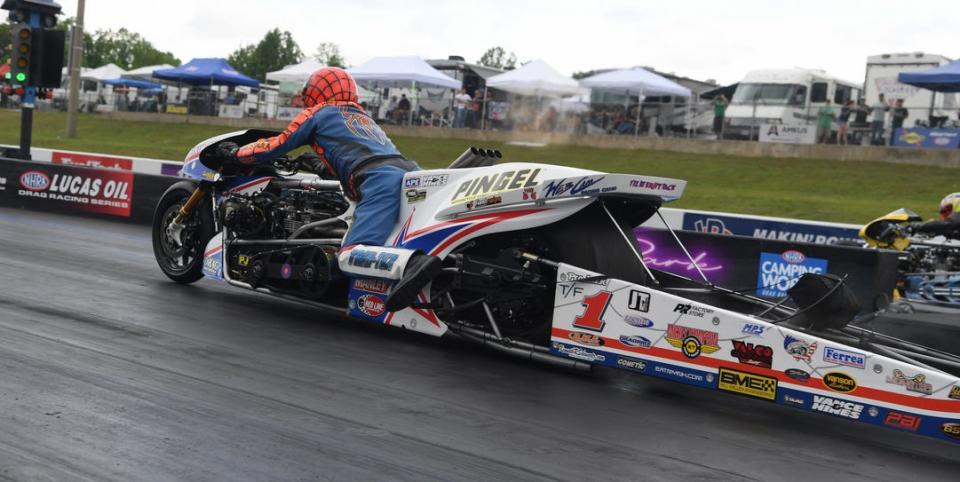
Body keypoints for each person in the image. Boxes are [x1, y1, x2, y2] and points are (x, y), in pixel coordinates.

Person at [216, 67, 441, 312]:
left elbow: (277, 145)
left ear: (314, 92)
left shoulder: (318, 113)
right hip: (408, 173)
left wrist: (237, 154)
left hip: (378, 181)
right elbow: (356, 153)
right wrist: (320, 164)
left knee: (349, 255)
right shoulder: (363, 117)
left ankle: (411, 264)